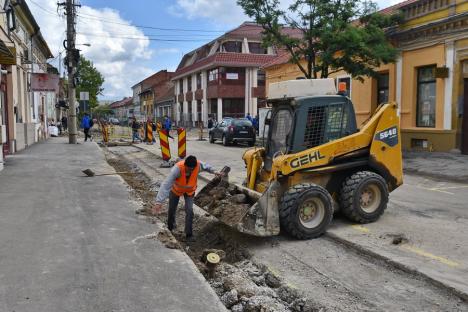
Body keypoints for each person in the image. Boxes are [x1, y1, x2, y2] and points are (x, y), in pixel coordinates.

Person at [152, 155, 219, 241]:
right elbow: (166, 185)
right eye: (188, 169)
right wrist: (159, 202)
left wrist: (214, 171)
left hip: (190, 192)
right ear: (185, 165)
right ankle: (170, 227)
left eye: (192, 169)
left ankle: (189, 234)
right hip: (176, 190)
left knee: (190, 210)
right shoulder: (177, 169)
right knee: (172, 209)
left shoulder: (198, 165)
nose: (190, 171)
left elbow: (207, 167)